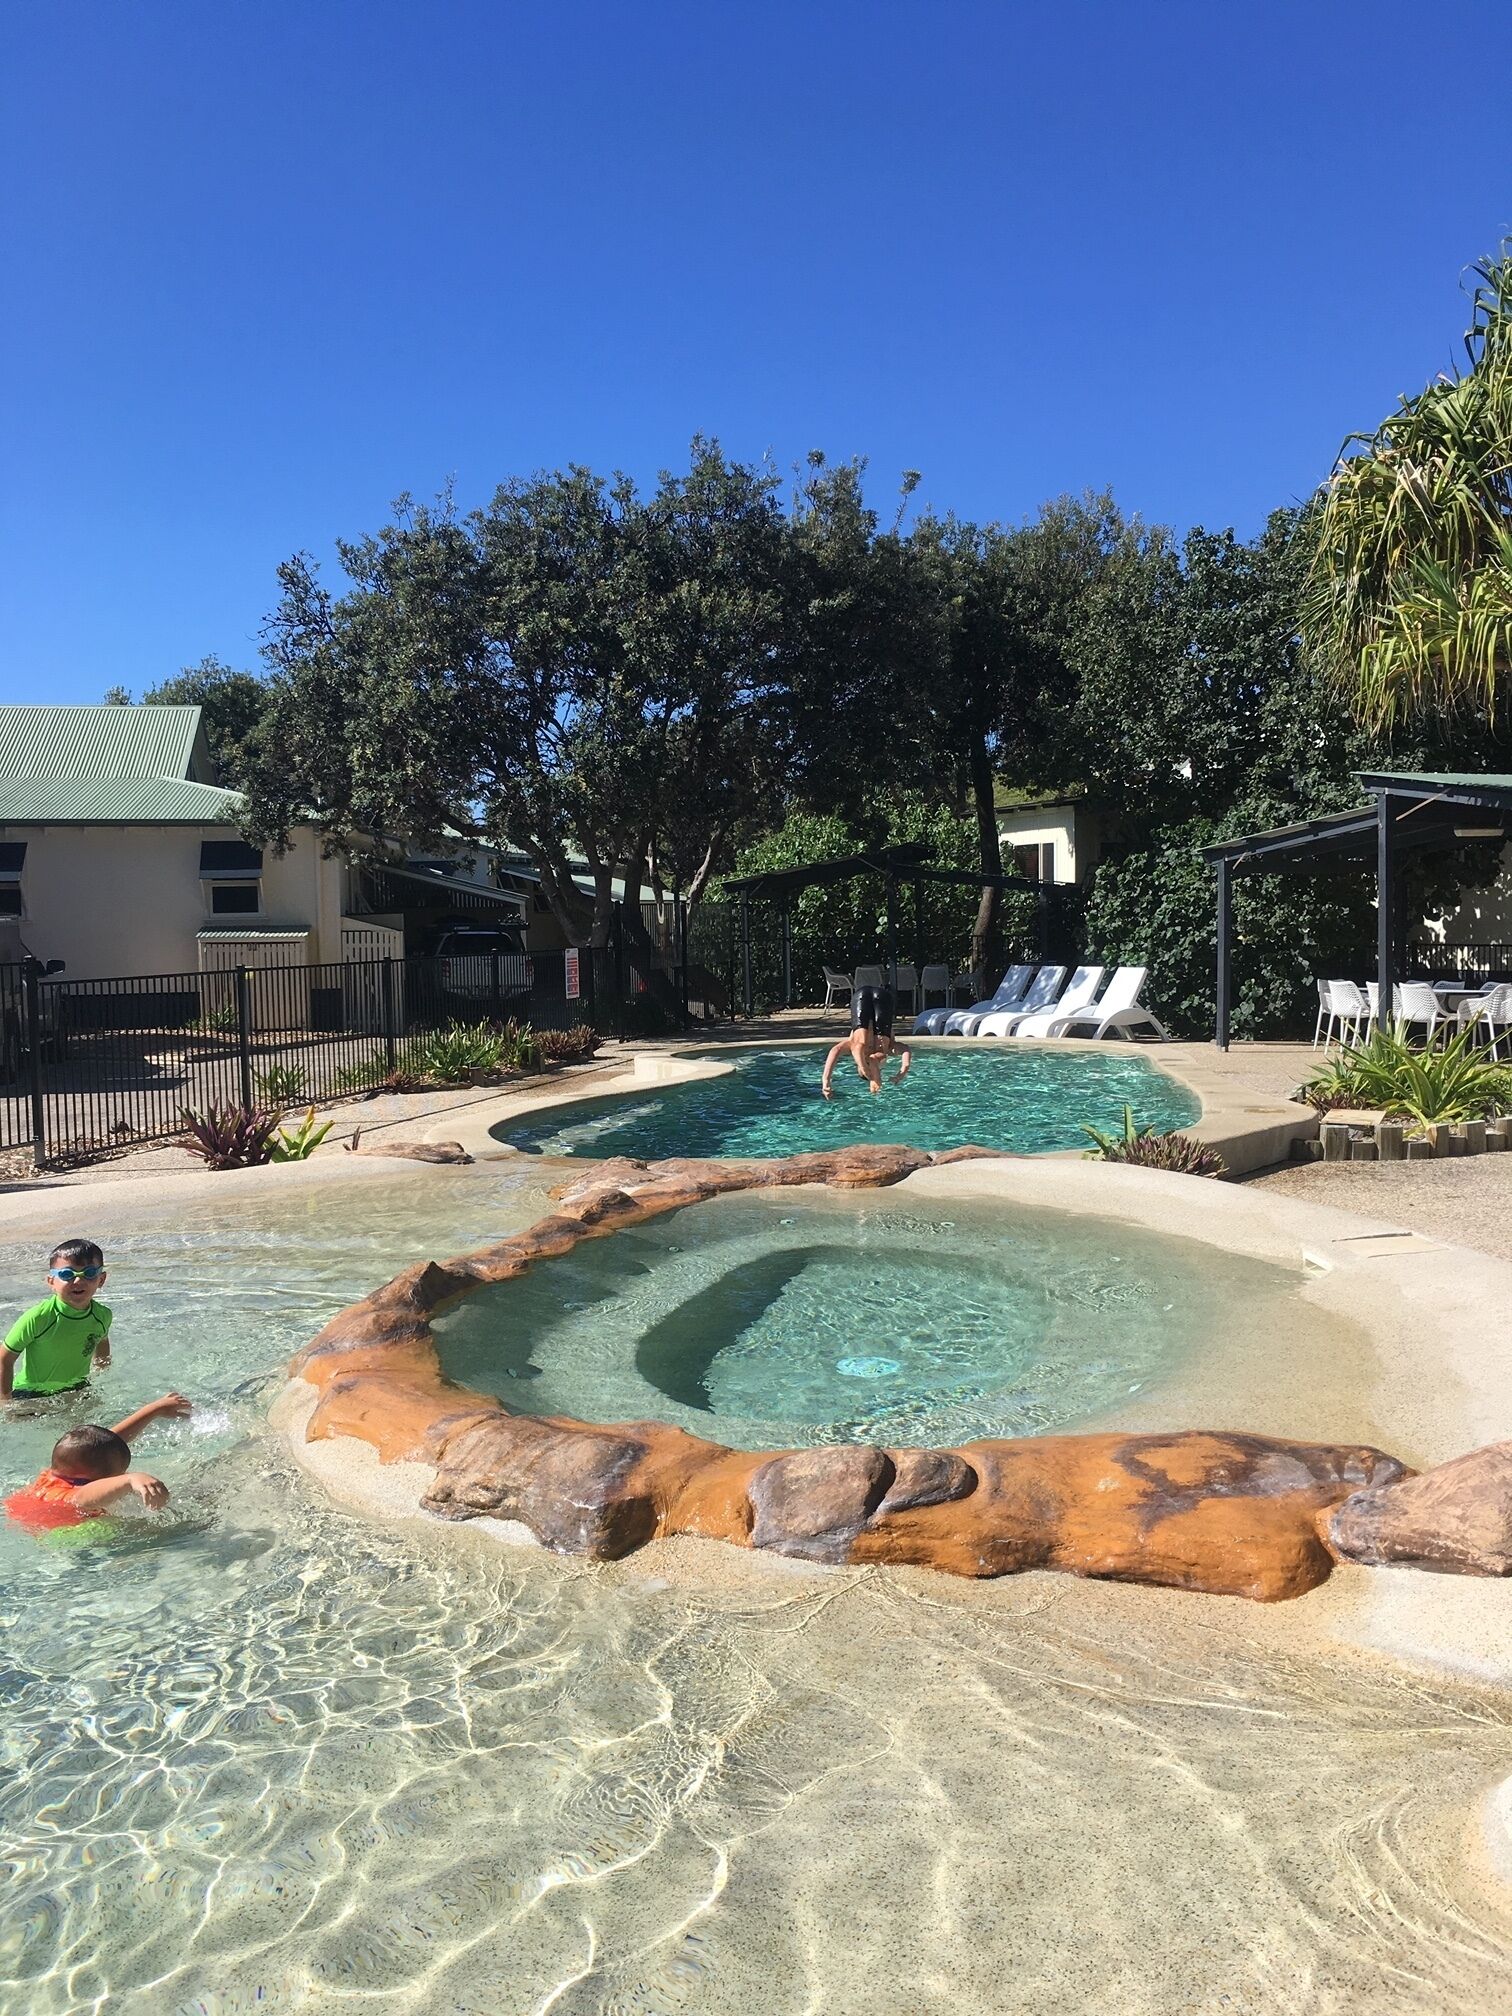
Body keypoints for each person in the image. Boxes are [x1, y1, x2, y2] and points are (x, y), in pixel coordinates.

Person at [4, 1392, 191, 1530]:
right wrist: (130, 1479)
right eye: (120, 1473)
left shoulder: (57, 1472)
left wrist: (153, 1410)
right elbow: (84, 1497)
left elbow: (100, 1443)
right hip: (52, 1536)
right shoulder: (66, 1496)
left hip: (17, 1515)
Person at [1, 1239, 114, 1402]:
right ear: (51, 1282)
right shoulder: (38, 1317)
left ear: (101, 1279)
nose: (78, 1281)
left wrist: (101, 1371)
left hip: (79, 1389)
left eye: (89, 1273)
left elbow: (102, 1340)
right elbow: (5, 1357)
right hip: (33, 1394)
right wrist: (5, 1401)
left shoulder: (102, 1315)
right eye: (67, 1274)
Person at [821, 984, 913, 1099]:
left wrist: (826, 1080)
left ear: (858, 1067)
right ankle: (872, 1077)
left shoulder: (852, 1046)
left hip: (861, 997)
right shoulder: (887, 1050)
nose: (868, 1062)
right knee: (865, 1048)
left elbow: (835, 1051)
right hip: (882, 998)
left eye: (865, 1067)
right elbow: (905, 1049)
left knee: (860, 1045)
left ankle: (870, 1075)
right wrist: (903, 1069)